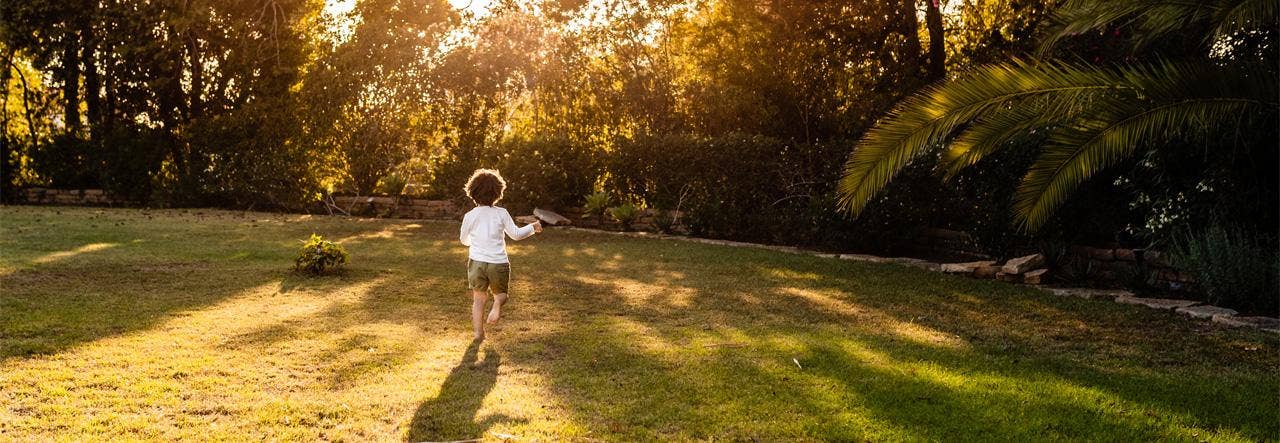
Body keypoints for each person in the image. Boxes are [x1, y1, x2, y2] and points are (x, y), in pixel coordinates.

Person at [459, 169, 542, 340]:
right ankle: (496, 305)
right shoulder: (501, 213)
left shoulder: (469, 216)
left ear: (472, 192)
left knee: (479, 299)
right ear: (498, 192)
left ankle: (478, 333)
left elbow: (464, 240)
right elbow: (516, 235)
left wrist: (475, 242)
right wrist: (533, 227)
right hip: (498, 263)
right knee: (501, 295)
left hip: (476, 263)